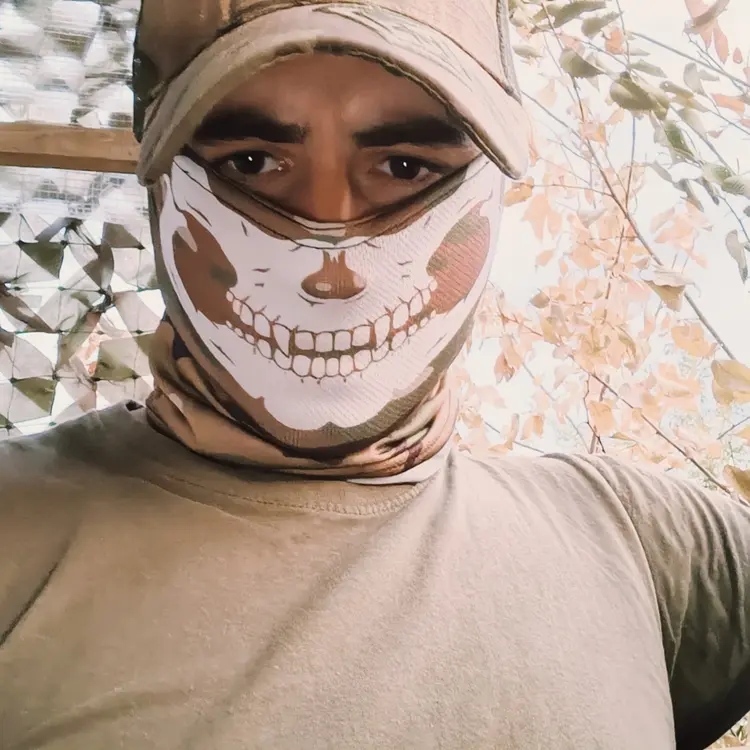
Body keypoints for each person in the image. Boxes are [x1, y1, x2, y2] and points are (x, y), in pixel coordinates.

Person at [1, 0, 749, 748]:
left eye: (404, 167)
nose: (333, 273)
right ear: (157, 179)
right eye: (252, 162)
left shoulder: (647, 543)